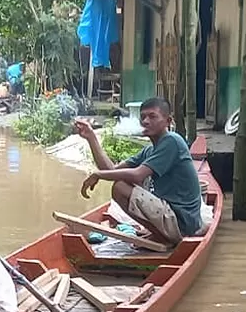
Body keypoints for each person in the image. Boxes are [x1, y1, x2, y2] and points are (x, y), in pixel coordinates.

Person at [74, 97, 205, 245]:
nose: (146, 121)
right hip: (171, 216)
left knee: (120, 187)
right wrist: (91, 137)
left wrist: (98, 175)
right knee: (121, 183)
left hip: (183, 221)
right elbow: (111, 170)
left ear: (168, 121)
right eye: (143, 117)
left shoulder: (172, 141)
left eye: (152, 116)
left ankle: (163, 237)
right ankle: (159, 233)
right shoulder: (149, 150)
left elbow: (137, 175)